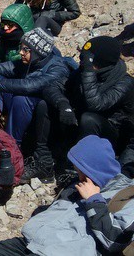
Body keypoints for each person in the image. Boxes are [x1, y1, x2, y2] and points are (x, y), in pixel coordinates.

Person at [0, 136, 134, 256]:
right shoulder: (80, 184)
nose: (76, 173)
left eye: (80, 169)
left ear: (93, 168)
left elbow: (115, 241)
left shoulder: (127, 196)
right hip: (32, 241)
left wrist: (94, 201)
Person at [24, 36, 134, 183]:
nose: (82, 63)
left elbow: (96, 104)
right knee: (45, 105)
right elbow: (52, 87)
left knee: (89, 118)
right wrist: (63, 104)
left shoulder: (124, 83)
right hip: (81, 126)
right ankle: (44, 162)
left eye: (87, 60)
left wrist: (88, 71)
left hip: (110, 135)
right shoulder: (82, 72)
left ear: (100, 63)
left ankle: (75, 171)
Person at [0, 28, 69, 144]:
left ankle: (12, 143)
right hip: (21, 111)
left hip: (45, 115)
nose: (21, 52)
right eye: (21, 48)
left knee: (20, 98)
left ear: (38, 52)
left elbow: (30, 86)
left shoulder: (57, 68)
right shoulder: (27, 62)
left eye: (25, 49)